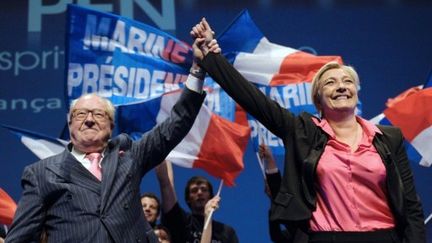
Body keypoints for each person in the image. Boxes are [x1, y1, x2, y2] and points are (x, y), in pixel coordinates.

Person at [191, 18, 426, 243]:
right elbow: (251, 98)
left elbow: (410, 205)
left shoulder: (388, 137)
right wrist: (211, 58)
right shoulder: (303, 131)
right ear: (318, 98)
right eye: (330, 83)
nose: (341, 86)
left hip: (384, 237)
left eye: (347, 81)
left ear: (356, 91)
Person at [4, 46, 220, 242]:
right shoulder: (41, 173)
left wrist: (197, 72)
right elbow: (20, 236)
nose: (89, 119)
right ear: (70, 124)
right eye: (80, 114)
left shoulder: (129, 154)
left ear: (110, 124)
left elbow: (175, 124)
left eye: (97, 114)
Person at [156, 160, 238, 243]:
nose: (199, 193)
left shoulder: (227, 232)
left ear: (211, 197)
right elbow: (166, 183)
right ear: (188, 199)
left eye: (204, 189)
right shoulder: (180, 221)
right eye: (194, 190)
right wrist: (164, 152)